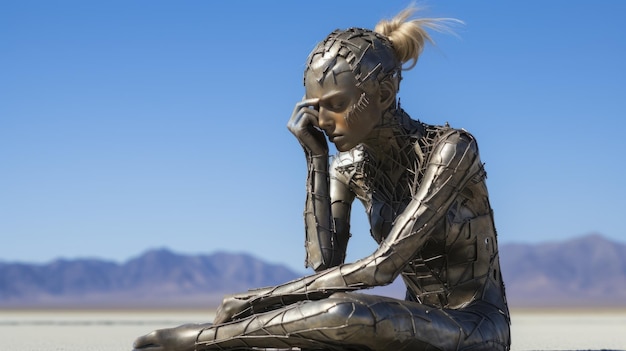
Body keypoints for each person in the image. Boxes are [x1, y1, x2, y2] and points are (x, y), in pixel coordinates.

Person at [133, 7, 510, 351]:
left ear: (384, 93)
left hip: (477, 328)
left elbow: (383, 267)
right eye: (316, 109)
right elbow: (325, 268)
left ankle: (207, 340)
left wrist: (254, 300)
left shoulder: (451, 150)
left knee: (345, 314)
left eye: (336, 105)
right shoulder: (349, 166)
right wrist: (316, 159)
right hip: (415, 328)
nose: (325, 122)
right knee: (330, 316)